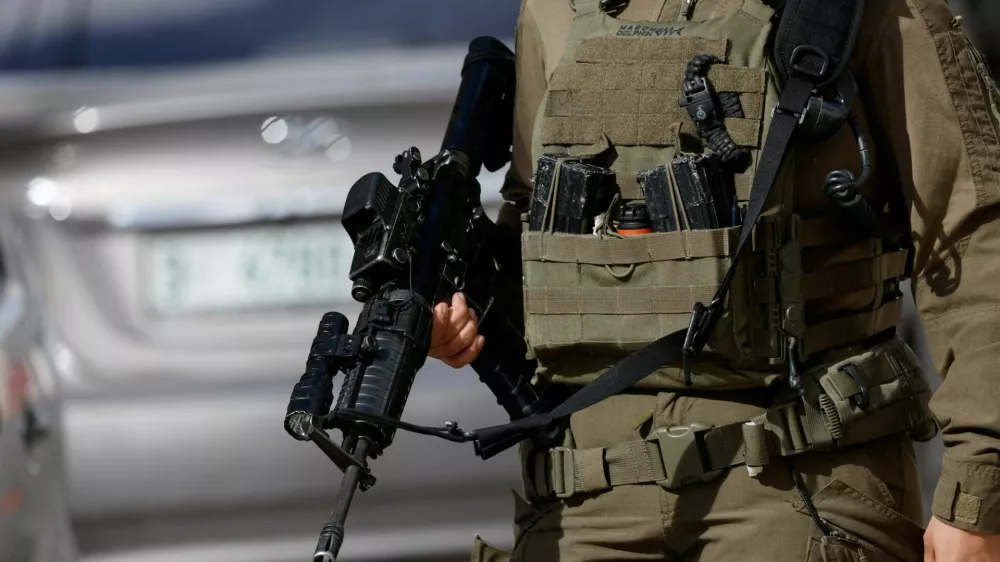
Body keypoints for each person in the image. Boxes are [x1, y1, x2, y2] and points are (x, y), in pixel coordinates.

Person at [430, 0, 1000, 560]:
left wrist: (976, 496)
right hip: (584, 492)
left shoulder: (865, 9)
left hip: (797, 479)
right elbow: (539, 226)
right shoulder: (554, 10)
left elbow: (974, 231)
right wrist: (462, 310)